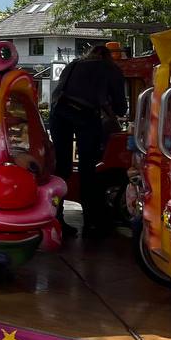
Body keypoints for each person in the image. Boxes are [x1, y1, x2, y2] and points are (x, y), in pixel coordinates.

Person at [50, 44, 126, 236]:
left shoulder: (73, 65)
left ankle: (55, 218)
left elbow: (57, 92)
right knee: (88, 168)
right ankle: (92, 221)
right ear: (109, 56)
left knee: (62, 167)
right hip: (86, 115)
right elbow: (120, 108)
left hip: (59, 112)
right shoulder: (111, 69)